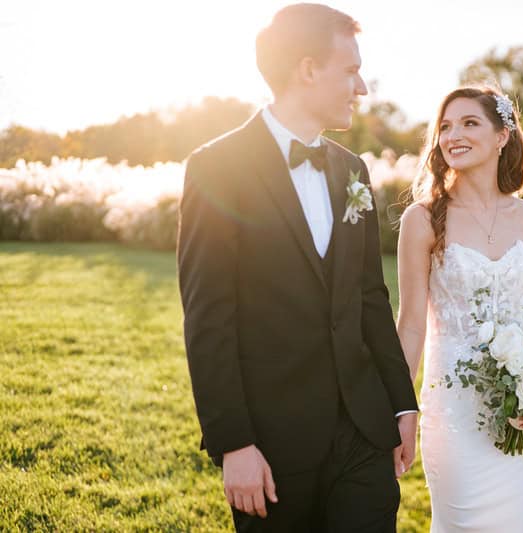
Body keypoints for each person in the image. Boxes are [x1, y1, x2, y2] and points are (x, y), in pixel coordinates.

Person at [177, 4, 418, 532]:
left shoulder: (353, 169)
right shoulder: (216, 167)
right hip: (270, 444)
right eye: (351, 70)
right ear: (307, 69)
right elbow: (208, 316)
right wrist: (234, 443)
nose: (363, 87)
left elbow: (371, 297)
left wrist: (403, 405)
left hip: (363, 434)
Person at [396, 86, 523, 532]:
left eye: (469, 123)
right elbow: (412, 324)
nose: (452, 135)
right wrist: (401, 409)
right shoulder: (421, 219)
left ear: (502, 135)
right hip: (457, 415)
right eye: (445, 127)